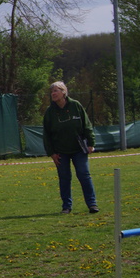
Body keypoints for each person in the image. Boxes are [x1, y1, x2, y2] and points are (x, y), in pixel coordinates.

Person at [42, 81, 98, 215]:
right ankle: (66, 206)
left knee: (84, 175)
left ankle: (92, 204)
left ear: (64, 92)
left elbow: (87, 125)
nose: (53, 93)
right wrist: (52, 153)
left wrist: (91, 143)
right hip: (60, 151)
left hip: (78, 149)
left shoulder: (75, 105)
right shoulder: (50, 112)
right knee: (64, 178)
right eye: (52, 91)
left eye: (56, 90)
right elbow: (46, 134)